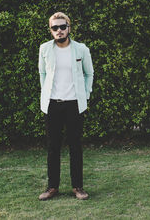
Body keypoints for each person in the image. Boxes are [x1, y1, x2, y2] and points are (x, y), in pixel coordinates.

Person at [38, 12, 94, 200]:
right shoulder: (45, 49)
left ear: (69, 27)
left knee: (75, 146)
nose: (59, 31)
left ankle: (78, 187)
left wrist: (85, 95)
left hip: (74, 105)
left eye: (62, 27)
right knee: (53, 147)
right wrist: (46, 95)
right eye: (55, 28)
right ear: (51, 30)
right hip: (52, 105)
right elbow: (42, 74)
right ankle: (52, 187)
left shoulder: (81, 49)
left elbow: (89, 74)